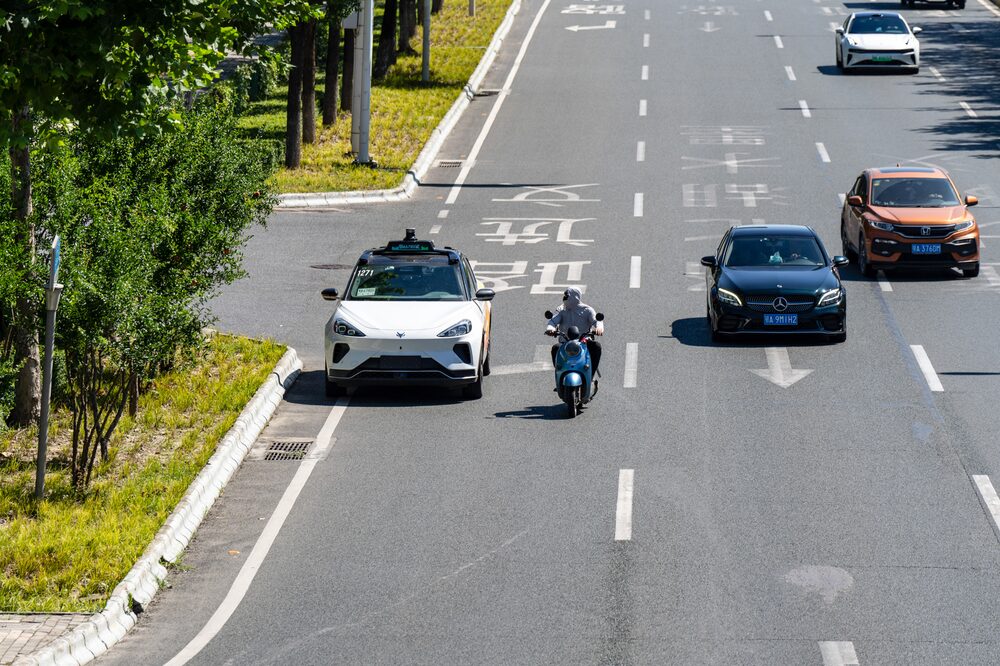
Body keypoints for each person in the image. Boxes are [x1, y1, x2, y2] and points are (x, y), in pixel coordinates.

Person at [546, 287, 603, 382]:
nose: (564, 298)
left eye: (567, 295)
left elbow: (597, 321)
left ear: (575, 297)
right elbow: (552, 321)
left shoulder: (587, 310)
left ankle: (591, 375)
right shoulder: (561, 310)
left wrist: (599, 328)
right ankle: (559, 376)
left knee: (596, 347)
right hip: (565, 343)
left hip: (583, 342)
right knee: (555, 348)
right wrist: (550, 329)